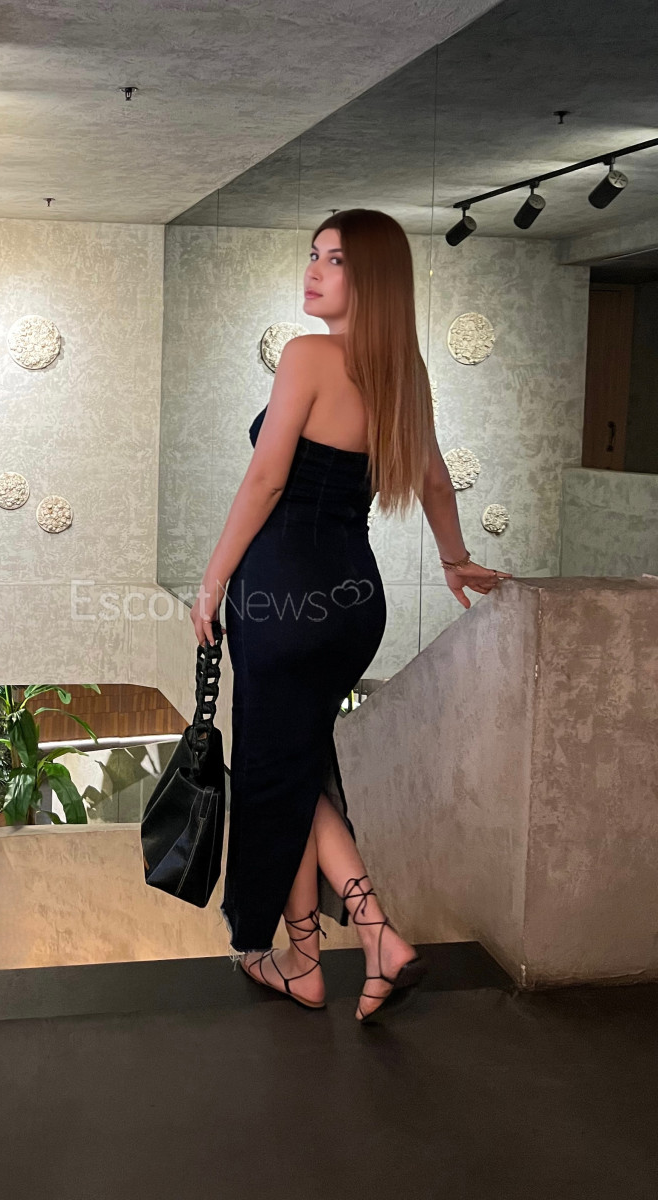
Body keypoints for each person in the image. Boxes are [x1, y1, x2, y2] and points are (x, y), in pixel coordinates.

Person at [190, 208, 512, 1023]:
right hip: (353, 602)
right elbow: (434, 481)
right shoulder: (405, 372)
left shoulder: (308, 356)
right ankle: (316, 956)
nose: (313, 270)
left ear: (372, 277)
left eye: (333, 259)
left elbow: (266, 480)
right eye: (313, 255)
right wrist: (453, 559)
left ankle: (363, 936)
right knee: (296, 766)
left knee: (276, 772)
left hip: (280, 594)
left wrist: (211, 582)